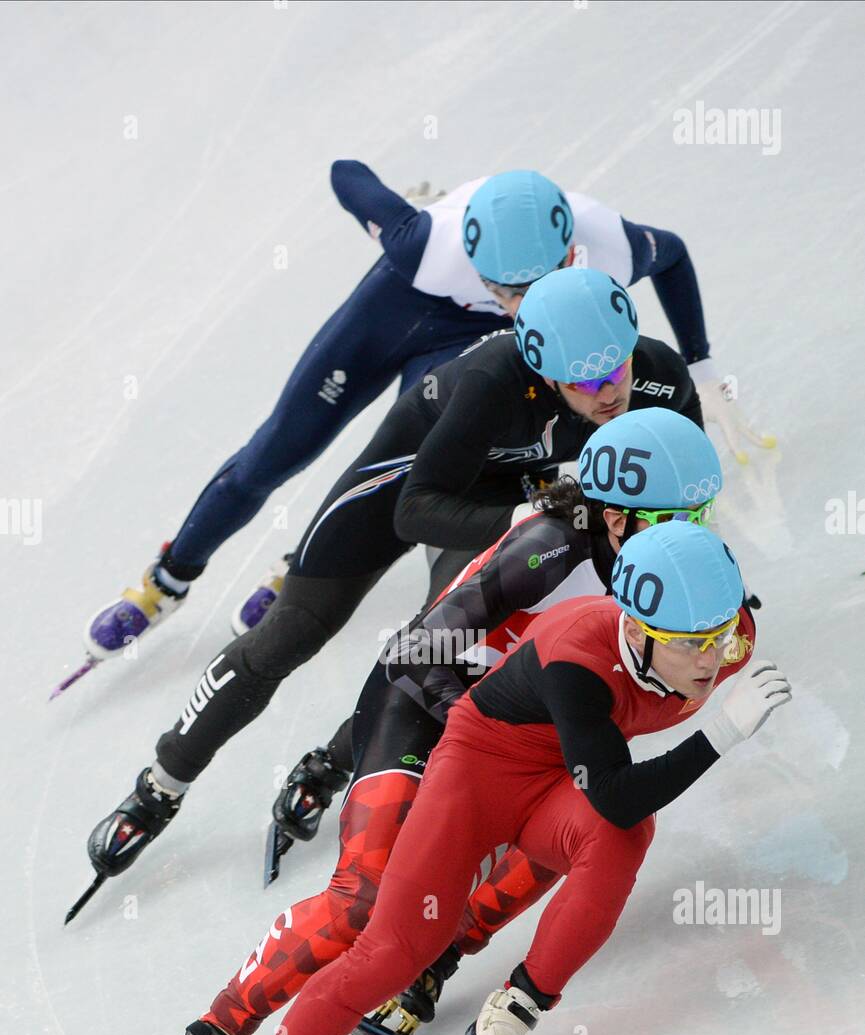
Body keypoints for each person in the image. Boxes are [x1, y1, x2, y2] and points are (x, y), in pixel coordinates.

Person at [128, 408, 724, 1035]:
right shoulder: (547, 551)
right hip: (422, 704)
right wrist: (477, 724)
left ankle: (436, 952)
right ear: (616, 518)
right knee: (364, 898)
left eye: (702, 511)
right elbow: (417, 653)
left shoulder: (671, 573)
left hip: (515, 727)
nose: (696, 528)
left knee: (577, 810)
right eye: (679, 514)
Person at [176, 522, 792, 1035]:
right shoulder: (579, 654)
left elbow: (615, 801)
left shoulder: (726, 633)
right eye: (692, 643)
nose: (713, 658)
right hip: (475, 777)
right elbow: (614, 792)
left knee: (621, 839)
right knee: (392, 951)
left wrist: (714, 648)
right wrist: (719, 733)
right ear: (638, 628)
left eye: (720, 635)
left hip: (558, 778)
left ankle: (518, 1002)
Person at [67, 268, 704, 920]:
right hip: (407, 481)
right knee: (296, 628)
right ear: (542, 371)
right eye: (583, 381)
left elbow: (680, 498)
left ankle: (332, 762)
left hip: (511, 491)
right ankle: (160, 785)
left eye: (616, 370)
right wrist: (521, 518)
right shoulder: (493, 381)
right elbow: (414, 510)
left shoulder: (657, 377)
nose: (608, 393)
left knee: (452, 640)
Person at [80, 162, 726, 663]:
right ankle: (168, 578)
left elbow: (671, 254)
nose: (513, 305)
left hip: (457, 345)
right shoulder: (425, 244)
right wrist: (405, 212)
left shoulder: (608, 243)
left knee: (411, 455)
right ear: (473, 263)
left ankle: (305, 558)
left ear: (569, 259)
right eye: (500, 290)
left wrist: (700, 369)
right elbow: (345, 173)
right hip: (403, 305)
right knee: (279, 449)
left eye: (527, 293)